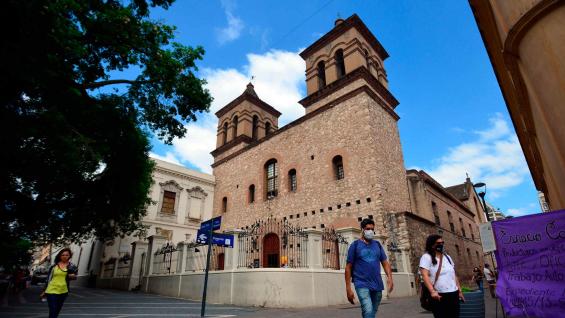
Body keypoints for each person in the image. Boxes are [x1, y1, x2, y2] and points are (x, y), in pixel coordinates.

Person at [345, 218, 394, 318]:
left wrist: (390, 278)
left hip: (377, 283)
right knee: (368, 310)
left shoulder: (377, 245)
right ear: (362, 230)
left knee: (371, 311)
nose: (370, 231)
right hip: (361, 283)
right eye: (368, 229)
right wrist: (348, 288)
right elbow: (348, 267)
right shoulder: (355, 246)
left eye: (372, 229)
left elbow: (385, 262)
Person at [419, 234, 465, 318]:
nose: (441, 244)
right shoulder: (426, 257)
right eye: (438, 243)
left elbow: (453, 275)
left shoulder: (448, 257)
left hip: (453, 294)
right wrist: (432, 291)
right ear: (432, 245)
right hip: (439, 295)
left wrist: (459, 291)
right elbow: (424, 275)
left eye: (442, 242)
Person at [40, 248, 77, 318]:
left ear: (69, 256)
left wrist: (72, 276)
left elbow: (75, 277)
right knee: (53, 310)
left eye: (67, 255)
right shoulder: (54, 266)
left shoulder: (72, 266)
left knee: (57, 311)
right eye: (62, 255)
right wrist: (44, 291)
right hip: (51, 290)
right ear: (60, 256)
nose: (64, 256)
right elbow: (48, 279)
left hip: (63, 291)